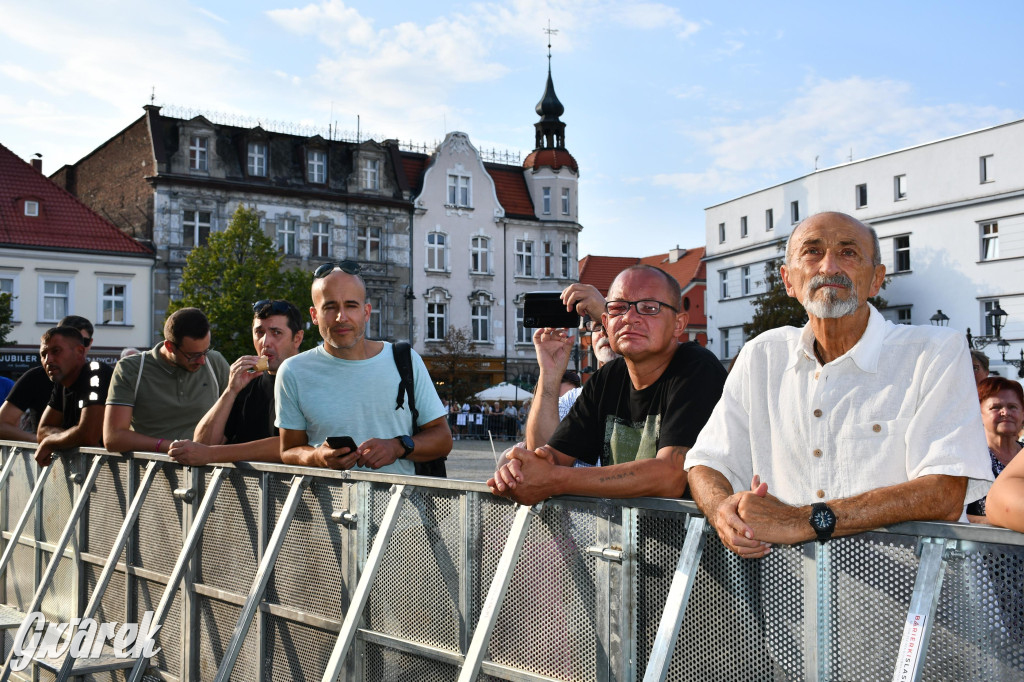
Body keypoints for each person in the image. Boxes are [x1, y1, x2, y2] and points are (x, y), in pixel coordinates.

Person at [685, 212, 992, 558]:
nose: (829, 267)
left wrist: (803, 520)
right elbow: (707, 461)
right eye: (812, 252)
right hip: (791, 603)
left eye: (848, 253)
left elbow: (945, 491)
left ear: (876, 280)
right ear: (788, 281)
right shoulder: (762, 355)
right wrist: (721, 510)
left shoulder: (934, 352)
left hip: (920, 601)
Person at [489, 264, 727, 505]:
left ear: (679, 324)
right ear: (606, 321)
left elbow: (671, 476)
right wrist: (549, 376)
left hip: (693, 540)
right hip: (622, 541)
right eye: (618, 308)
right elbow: (548, 456)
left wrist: (556, 479)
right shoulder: (607, 378)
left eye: (649, 308)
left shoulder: (697, 367)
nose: (630, 318)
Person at [276, 262, 452, 472]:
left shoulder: (405, 360)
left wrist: (398, 447)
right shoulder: (293, 371)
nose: (342, 317)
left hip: (400, 503)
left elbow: (443, 439)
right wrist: (316, 456)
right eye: (330, 307)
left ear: (366, 312)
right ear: (314, 315)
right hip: (328, 504)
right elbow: (288, 450)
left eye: (351, 305)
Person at [168, 300, 305, 466]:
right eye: (259, 332)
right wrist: (230, 391)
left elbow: (290, 445)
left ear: (297, 338)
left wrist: (213, 454)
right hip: (241, 491)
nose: (265, 342)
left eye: (276, 333)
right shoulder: (247, 383)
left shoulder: (310, 382)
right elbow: (202, 444)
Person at [104, 308, 229, 454]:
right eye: (193, 355)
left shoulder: (215, 362)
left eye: (206, 351)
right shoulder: (132, 368)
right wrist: (174, 448)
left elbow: (238, 418)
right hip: (150, 472)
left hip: (207, 473)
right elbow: (113, 437)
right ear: (169, 346)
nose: (202, 361)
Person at [0, 315, 93, 442]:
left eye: (82, 341)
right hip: (46, 459)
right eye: (64, 343)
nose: (73, 348)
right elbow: (3, 424)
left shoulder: (98, 376)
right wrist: (41, 441)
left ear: (87, 345)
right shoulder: (36, 377)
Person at [35, 326, 113, 465]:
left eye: (56, 351)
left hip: (123, 476)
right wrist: (70, 436)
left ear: (80, 351)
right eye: (43, 354)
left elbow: (88, 435)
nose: (48, 360)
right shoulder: (62, 382)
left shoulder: (96, 372)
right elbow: (42, 430)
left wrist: (49, 441)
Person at [967, 377, 1023, 523]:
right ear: (978, 414)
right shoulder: (968, 458)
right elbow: (954, 513)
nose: (1005, 412)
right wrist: (995, 522)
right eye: (996, 407)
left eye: (1013, 407)